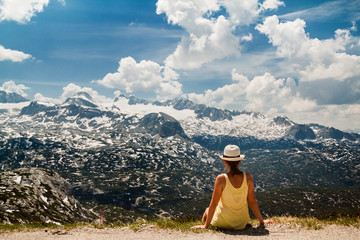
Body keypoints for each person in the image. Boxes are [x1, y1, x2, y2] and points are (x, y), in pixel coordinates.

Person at [191, 144, 271, 230]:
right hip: (241, 223)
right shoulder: (248, 177)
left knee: (207, 210)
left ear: (224, 161)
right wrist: (262, 222)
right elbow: (252, 201)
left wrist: (205, 226)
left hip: (222, 223)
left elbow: (213, 204)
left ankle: (206, 224)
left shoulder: (221, 179)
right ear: (239, 161)